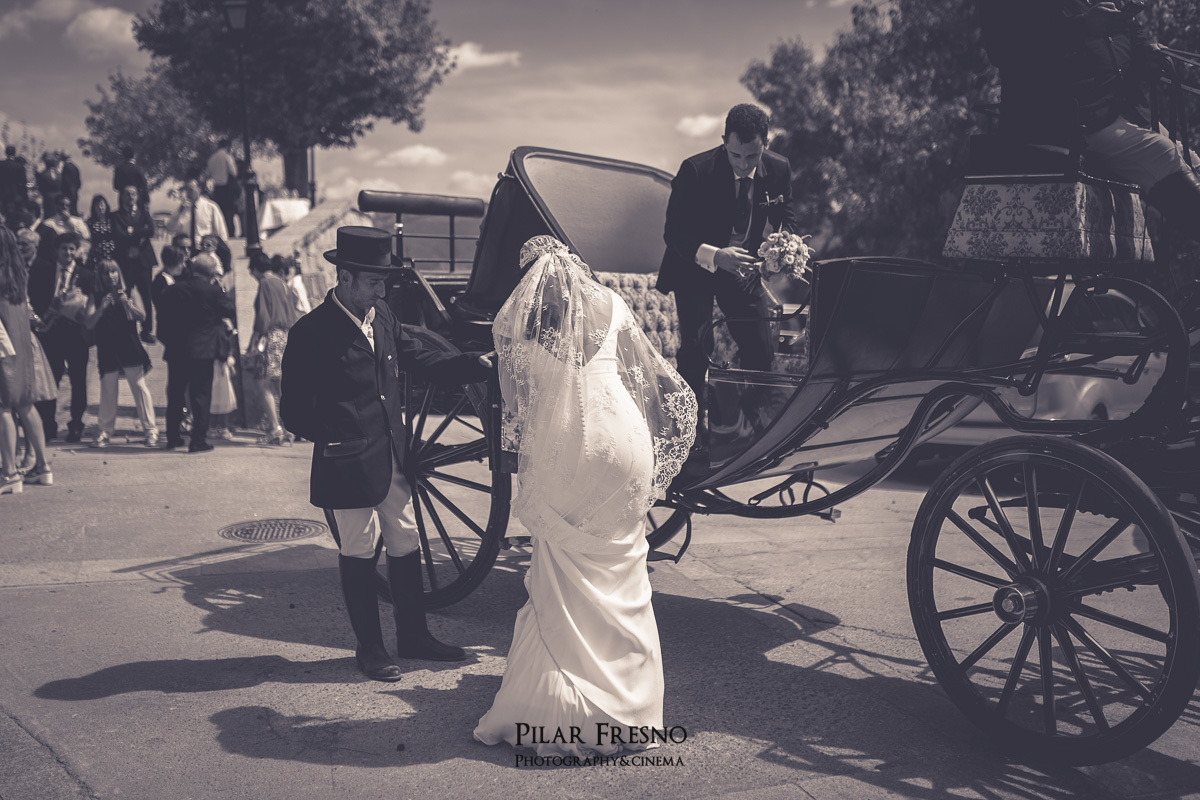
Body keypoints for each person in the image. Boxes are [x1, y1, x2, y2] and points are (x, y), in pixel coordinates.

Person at [473, 236, 696, 756]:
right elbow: (639, 374)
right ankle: (636, 714)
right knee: (624, 566)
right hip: (626, 444)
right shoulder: (613, 303)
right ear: (573, 267)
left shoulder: (512, 324)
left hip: (571, 449)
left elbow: (518, 409)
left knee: (564, 574)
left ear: (529, 282)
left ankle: (564, 713)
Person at [279, 226, 494, 682]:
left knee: (405, 537)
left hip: (394, 457)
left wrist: (471, 364)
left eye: (384, 283)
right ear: (346, 278)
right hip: (348, 463)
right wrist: (338, 438)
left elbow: (420, 358)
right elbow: (293, 411)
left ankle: (413, 636)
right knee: (358, 548)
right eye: (375, 282)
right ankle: (371, 649)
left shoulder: (384, 319)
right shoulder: (311, 332)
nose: (382, 290)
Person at [979, 0, 1200, 244]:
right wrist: (1082, 26)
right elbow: (1003, 49)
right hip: (1065, 120)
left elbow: (1130, 26)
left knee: (1190, 158)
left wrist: (1146, 47)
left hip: (1121, 111)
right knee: (1163, 155)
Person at [655, 103, 796, 428]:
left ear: (765, 145)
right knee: (697, 348)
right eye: (736, 156)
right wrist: (717, 256)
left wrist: (779, 249)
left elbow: (785, 219)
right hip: (695, 268)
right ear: (723, 142)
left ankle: (754, 422)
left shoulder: (778, 171)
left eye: (752, 156)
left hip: (744, 271)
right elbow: (673, 232)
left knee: (761, 349)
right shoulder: (695, 170)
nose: (744, 164)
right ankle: (688, 432)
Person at [160, 251, 235, 453]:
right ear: (211, 272)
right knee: (200, 396)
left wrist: (169, 342)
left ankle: (173, 437)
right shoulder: (212, 292)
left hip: (177, 351)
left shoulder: (173, 290)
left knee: (176, 395)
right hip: (203, 351)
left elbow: (162, 323)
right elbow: (229, 309)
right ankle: (197, 440)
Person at [83, 259, 158, 448]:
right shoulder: (96, 295)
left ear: (119, 274)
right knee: (108, 389)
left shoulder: (129, 291)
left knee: (139, 387)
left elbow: (143, 317)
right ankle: (105, 431)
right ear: (100, 276)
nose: (110, 276)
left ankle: (150, 430)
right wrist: (102, 307)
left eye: (114, 272)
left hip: (129, 344)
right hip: (107, 346)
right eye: (106, 273)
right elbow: (89, 323)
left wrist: (129, 305)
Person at [0, 226, 53, 494]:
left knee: (3, 409)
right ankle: (43, 466)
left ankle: (9, 473)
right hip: (22, 347)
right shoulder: (17, 277)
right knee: (25, 406)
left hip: (4, 348)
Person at [28, 231, 93, 443]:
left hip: (76, 335)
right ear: (57, 251)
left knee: (78, 381)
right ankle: (48, 424)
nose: (68, 252)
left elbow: (93, 304)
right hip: (51, 334)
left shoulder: (85, 275)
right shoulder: (42, 272)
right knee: (50, 380)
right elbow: (34, 298)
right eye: (64, 248)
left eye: (72, 248)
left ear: (77, 251)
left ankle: (76, 424)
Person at [247, 253, 299, 445]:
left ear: (256, 268)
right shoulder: (283, 284)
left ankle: (275, 428)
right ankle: (288, 428)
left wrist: (253, 342)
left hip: (271, 337)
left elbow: (262, 317)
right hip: (286, 336)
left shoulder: (265, 283)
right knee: (280, 385)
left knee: (263, 383)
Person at [110, 184, 159, 343]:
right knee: (125, 294)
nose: (130, 197)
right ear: (122, 196)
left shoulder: (144, 213)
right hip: (125, 262)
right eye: (127, 194)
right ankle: (127, 328)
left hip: (143, 262)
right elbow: (118, 235)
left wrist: (132, 231)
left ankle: (147, 330)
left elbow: (151, 231)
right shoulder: (115, 216)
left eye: (133, 194)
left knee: (146, 295)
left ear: (138, 197)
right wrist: (138, 233)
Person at [167, 179, 228, 255]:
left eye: (191, 190)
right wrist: (179, 211)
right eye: (186, 190)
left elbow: (221, 234)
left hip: (204, 250)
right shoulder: (182, 209)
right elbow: (170, 228)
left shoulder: (211, 207)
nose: (188, 193)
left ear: (199, 189)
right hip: (186, 250)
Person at [36, 194, 90, 265]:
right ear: (56, 206)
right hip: (56, 261)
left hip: (77, 260)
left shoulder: (78, 221)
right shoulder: (48, 223)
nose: (64, 207)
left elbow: (86, 237)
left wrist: (69, 221)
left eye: (67, 205)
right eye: (62, 204)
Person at [204, 138, 240, 238]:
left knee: (219, 211)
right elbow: (234, 172)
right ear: (227, 146)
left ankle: (220, 233)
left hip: (217, 188)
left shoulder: (212, 158)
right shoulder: (227, 157)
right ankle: (230, 233)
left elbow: (208, 173)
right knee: (229, 212)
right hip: (227, 187)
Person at [85, 194, 117, 270]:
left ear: (106, 205)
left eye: (102, 205)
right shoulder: (90, 222)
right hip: (96, 255)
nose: (100, 207)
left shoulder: (113, 220)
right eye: (97, 205)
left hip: (112, 253)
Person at [0, 146, 29, 227]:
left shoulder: (1, 164)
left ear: (6, 153)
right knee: (14, 218)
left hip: (2, 195)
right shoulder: (19, 166)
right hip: (16, 195)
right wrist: (25, 196)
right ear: (14, 153)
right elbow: (23, 182)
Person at [59, 153, 81, 217]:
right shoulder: (75, 167)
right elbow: (79, 183)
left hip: (68, 193)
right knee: (74, 211)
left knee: (68, 212)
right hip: (75, 192)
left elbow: (66, 181)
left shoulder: (66, 167)